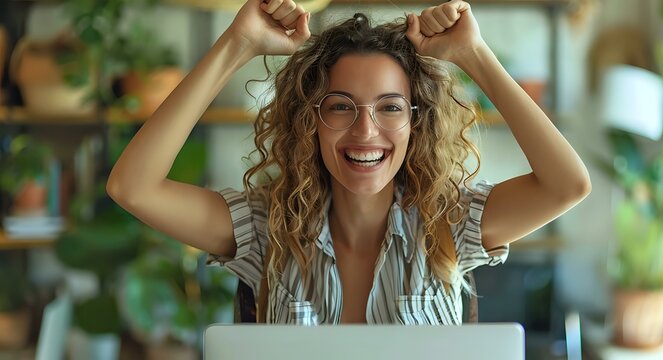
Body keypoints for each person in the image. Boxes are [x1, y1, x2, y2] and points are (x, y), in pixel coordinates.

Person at [107, 0, 591, 325]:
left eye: (390, 107)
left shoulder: (450, 222)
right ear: (310, 120)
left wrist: (473, 54)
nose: (365, 131)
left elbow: (567, 185)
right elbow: (133, 187)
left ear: (414, 123)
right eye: (341, 106)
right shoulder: (263, 228)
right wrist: (238, 44)